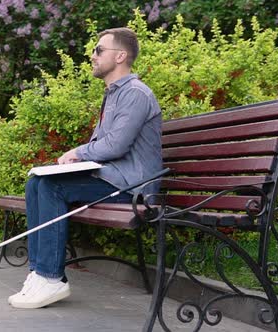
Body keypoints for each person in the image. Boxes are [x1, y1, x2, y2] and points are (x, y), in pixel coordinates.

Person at [8, 27, 162, 309]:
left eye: (98, 50)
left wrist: (78, 152)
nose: (92, 56)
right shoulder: (114, 94)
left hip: (132, 187)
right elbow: (107, 146)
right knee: (36, 182)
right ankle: (38, 272)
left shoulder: (136, 94)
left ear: (120, 56)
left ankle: (51, 278)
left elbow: (116, 146)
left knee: (53, 187)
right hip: (114, 179)